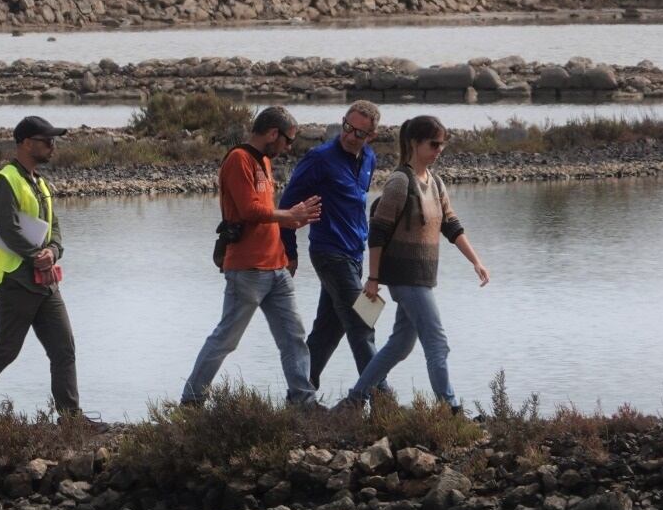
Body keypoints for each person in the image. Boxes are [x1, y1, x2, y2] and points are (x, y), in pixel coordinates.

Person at [342, 115, 490, 415]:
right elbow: (378, 233)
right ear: (414, 143)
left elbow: (451, 226)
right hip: (405, 278)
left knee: (400, 345)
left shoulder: (435, 182)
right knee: (437, 342)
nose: (439, 150)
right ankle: (449, 408)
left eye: (442, 145)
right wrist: (373, 278)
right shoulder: (400, 181)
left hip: (423, 277)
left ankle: (355, 398)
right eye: (433, 144)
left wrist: (476, 261)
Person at [0, 116, 87, 425]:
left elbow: (56, 228)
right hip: (15, 281)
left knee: (64, 349)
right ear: (26, 143)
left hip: (45, 283)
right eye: (46, 140)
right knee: (5, 350)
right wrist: (36, 254)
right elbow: (7, 229)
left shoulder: (40, 182)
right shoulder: (6, 180)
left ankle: (70, 419)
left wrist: (53, 251)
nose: (52, 146)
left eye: (54, 141)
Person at [180, 106, 323, 408]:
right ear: (273, 133)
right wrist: (289, 215)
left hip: (277, 268)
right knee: (225, 340)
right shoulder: (239, 160)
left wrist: (291, 224)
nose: (288, 147)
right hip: (247, 270)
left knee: (294, 336)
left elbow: (267, 212)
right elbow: (249, 211)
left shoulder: (265, 162)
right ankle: (191, 401)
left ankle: (303, 401)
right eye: (288, 140)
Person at [278, 100, 384, 393]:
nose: (350, 135)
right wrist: (290, 252)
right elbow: (286, 206)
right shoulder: (319, 158)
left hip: (354, 255)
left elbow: (357, 205)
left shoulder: (370, 159)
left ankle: (300, 395)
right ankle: (381, 400)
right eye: (347, 127)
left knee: (328, 331)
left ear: (371, 136)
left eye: (359, 133)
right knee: (363, 325)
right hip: (328, 253)